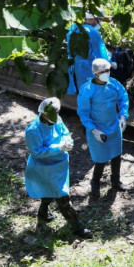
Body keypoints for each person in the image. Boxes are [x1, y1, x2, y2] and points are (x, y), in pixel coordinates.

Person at [24, 98, 91, 238]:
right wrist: (58, 148)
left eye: (57, 112)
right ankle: (77, 228)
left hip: (59, 165)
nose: (55, 115)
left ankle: (42, 215)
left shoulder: (56, 119)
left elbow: (64, 132)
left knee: (48, 194)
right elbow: (36, 152)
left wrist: (68, 141)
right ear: (43, 113)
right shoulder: (33, 130)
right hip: (44, 168)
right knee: (62, 197)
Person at [77, 58, 131, 199]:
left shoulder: (113, 84)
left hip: (113, 126)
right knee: (100, 159)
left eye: (108, 70)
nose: (107, 73)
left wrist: (123, 116)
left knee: (116, 156)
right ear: (96, 74)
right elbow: (83, 113)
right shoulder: (88, 89)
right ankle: (95, 182)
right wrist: (93, 130)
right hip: (97, 128)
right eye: (104, 72)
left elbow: (123, 97)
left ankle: (115, 181)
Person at [66, 11, 116, 95]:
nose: (99, 22)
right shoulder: (92, 32)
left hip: (71, 66)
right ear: (94, 19)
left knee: (77, 91)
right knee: (87, 92)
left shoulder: (73, 28)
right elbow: (101, 53)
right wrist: (111, 62)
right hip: (85, 68)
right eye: (99, 19)